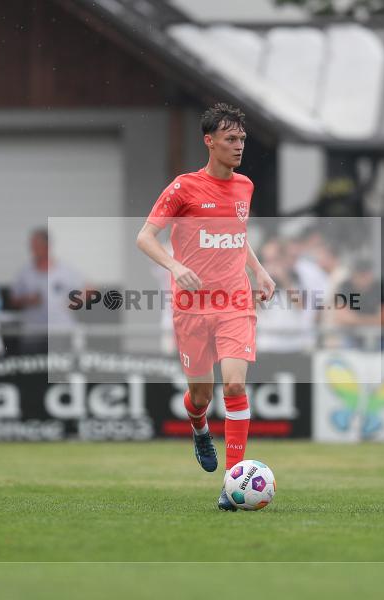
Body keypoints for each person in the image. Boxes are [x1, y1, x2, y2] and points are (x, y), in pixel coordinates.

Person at [136, 103, 275, 511]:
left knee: (233, 386)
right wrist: (174, 265)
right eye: (231, 140)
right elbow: (145, 237)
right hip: (191, 308)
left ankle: (233, 485)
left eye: (242, 140)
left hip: (234, 300)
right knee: (201, 396)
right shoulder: (183, 188)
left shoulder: (245, 186)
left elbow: (236, 236)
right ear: (209, 142)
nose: (239, 146)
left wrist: (260, 272)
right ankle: (199, 427)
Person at [10, 228, 85, 354]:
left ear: (47, 246)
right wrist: (28, 300)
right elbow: (14, 300)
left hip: (60, 331)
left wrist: (73, 302)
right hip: (33, 332)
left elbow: (89, 289)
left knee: (58, 369)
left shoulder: (64, 270)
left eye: (37, 246)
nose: (33, 250)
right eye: (32, 246)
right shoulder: (25, 272)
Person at [333, 257, 384, 349]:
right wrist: (374, 320)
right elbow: (342, 317)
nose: (363, 278)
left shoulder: (378, 287)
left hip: (376, 337)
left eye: (366, 274)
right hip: (352, 337)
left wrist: (356, 319)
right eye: (360, 274)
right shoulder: (345, 286)